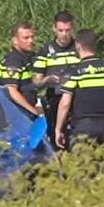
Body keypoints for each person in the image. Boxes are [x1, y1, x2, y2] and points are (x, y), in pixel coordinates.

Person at [54, 28, 104, 150]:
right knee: (103, 164)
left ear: (78, 45)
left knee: (82, 165)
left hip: (83, 126)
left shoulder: (75, 71)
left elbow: (65, 104)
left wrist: (58, 129)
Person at [31, 12, 80, 141]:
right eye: (60, 30)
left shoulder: (79, 48)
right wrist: (48, 80)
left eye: (67, 30)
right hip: (55, 99)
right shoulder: (46, 50)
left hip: (78, 99)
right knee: (55, 138)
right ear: (54, 29)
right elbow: (36, 82)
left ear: (72, 28)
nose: (64, 34)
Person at [0, 22, 43, 118]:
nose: (31, 41)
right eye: (26, 38)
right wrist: (33, 111)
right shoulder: (13, 61)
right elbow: (11, 91)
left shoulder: (28, 57)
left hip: (24, 109)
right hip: (14, 113)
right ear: (15, 40)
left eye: (32, 37)